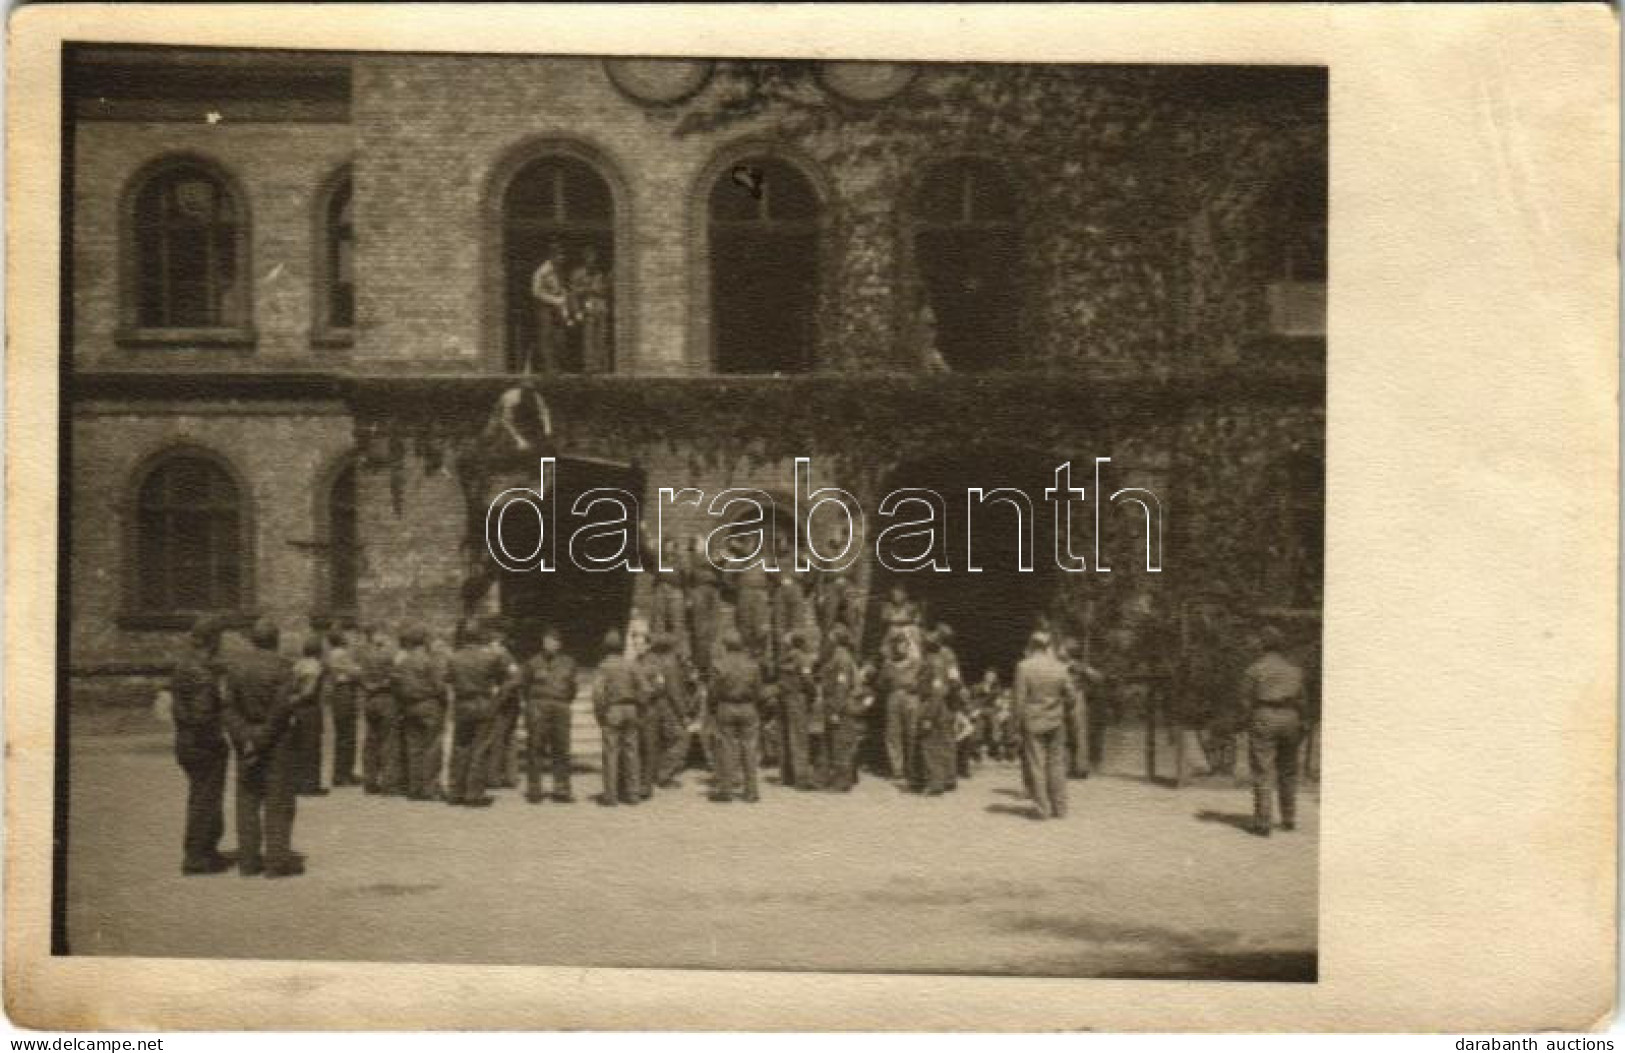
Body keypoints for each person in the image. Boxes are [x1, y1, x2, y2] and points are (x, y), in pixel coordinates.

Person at [221, 618, 303, 877]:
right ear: (275, 640)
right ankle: (276, 862)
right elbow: (282, 708)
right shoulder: (284, 668)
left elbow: (228, 708)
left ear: (252, 640)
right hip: (275, 740)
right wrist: (263, 737)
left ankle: (248, 861)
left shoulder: (235, 668)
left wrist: (245, 736)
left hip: (246, 741)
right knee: (277, 800)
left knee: (247, 799)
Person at [170, 615, 233, 875]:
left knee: (199, 798)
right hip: (203, 745)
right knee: (205, 801)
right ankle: (197, 857)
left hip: (185, 742)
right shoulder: (203, 674)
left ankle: (204, 850)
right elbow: (202, 715)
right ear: (214, 640)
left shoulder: (183, 665)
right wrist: (219, 740)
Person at [1239, 625, 1307, 837]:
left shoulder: (1254, 669)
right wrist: (1302, 722)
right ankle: (1289, 818)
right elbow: (1303, 699)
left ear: (1263, 645)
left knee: (1263, 769)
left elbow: (1244, 699)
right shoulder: (1295, 670)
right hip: (1291, 717)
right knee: (1288, 769)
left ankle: (1263, 822)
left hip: (1265, 715)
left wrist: (1247, 720)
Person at [1012, 630, 1078, 821]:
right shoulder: (1060, 667)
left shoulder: (1023, 667)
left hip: (1033, 721)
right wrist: (1062, 710)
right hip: (1056, 721)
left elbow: (1019, 700)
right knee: (1057, 764)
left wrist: (1015, 725)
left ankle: (1042, 809)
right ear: (1048, 646)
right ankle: (1060, 808)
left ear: (1032, 645)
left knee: (1036, 764)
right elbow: (1071, 696)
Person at [446, 622, 506, 807]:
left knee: (461, 748)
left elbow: (448, 680)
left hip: (462, 705)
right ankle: (474, 793)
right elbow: (502, 678)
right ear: (480, 638)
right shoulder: (490, 658)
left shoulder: (453, 658)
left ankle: (456, 791)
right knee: (480, 749)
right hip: (483, 704)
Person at [391, 625, 447, 801]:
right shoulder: (430, 661)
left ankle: (414, 788)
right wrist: (443, 702)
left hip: (409, 707)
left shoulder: (403, 662)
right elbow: (440, 686)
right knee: (432, 747)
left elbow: (396, 685)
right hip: (429, 705)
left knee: (413, 748)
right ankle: (429, 788)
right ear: (424, 641)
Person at [709, 629, 765, 803]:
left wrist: (713, 708)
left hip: (726, 706)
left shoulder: (719, 664)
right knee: (750, 749)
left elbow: (713, 691)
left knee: (726, 748)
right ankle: (751, 791)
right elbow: (758, 690)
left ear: (726, 646)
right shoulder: (753, 664)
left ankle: (725, 790)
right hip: (748, 707)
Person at [522, 627, 577, 803]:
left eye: (553, 641)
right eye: (546, 640)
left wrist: (563, 702)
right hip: (538, 707)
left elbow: (573, 688)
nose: (549, 644)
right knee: (535, 748)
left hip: (560, 707)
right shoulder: (532, 663)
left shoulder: (569, 663)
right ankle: (535, 789)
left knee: (561, 748)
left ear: (559, 644)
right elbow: (525, 687)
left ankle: (561, 789)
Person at [635, 631, 691, 796]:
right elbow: (674, 692)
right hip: (664, 708)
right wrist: (683, 714)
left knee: (652, 742)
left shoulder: (639, 661)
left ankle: (651, 775)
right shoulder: (668, 663)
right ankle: (664, 775)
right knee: (681, 738)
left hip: (645, 708)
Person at [593, 630, 641, 806]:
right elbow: (644, 688)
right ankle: (633, 793)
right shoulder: (631, 665)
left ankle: (611, 795)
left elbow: (598, 693)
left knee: (611, 753)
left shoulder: (603, 666)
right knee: (631, 752)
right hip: (631, 709)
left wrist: (600, 714)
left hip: (613, 710)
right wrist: (638, 707)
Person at [358, 626, 402, 795]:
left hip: (370, 701)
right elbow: (393, 678)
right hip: (385, 699)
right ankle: (389, 784)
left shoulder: (364, 656)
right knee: (389, 742)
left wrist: (370, 687)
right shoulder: (387, 656)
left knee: (371, 741)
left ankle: (369, 781)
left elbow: (361, 678)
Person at [820, 626, 865, 791]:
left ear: (837, 640)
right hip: (838, 704)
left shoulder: (842, 659)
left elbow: (841, 686)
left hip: (842, 706)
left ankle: (843, 782)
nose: (828, 640)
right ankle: (844, 778)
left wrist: (835, 711)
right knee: (840, 742)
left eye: (831, 638)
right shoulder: (839, 657)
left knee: (842, 744)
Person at [775, 630, 819, 790]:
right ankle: (801, 778)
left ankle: (785, 776)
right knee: (799, 738)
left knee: (784, 736)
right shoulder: (803, 658)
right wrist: (813, 694)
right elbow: (807, 680)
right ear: (802, 643)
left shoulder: (783, 658)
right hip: (797, 699)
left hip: (783, 698)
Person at [879, 630, 923, 786]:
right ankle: (897, 770)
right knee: (893, 734)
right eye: (897, 644)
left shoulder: (916, 662)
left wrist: (916, 687)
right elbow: (881, 683)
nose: (900, 647)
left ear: (908, 645)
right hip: (893, 697)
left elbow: (924, 680)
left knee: (912, 733)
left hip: (911, 698)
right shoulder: (888, 663)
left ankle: (912, 769)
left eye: (903, 643)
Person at [290, 636, 328, 796]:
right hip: (310, 709)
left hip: (298, 710)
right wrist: (300, 698)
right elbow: (310, 690)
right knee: (312, 747)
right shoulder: (315, 666)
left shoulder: (298, 665)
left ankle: (298, 783)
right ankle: (311, 785)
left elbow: (292, 685)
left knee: (298, 746)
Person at [325, 626, 362, 787]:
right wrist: (358, 669)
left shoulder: (332, 654)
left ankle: (343, 772)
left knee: (344, 734)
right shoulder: (341, 654)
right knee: (347, 734)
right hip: (344, 692)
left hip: (339, 692)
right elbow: (354, 672)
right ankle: (342, 774)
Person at [529, 241, 572, 375]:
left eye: (562, 255)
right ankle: (548, 369)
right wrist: (554, 300)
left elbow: (561, 290)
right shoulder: (542, 271)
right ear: (552, 256)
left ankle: (559, 367)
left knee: (559, 337)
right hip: (545, 307)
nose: (562, 258)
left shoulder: (558, 271)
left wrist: (564, 307)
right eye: (560, 255)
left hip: (557, 307)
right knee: (546, 337)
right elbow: (535, 292)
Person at [571, 244, 612, 374]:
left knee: (601, 338)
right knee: (588, 339)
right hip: (587, 308)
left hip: (600, 308)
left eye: (593, 257)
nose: (591, 259)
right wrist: (577, 310)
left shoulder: (599, 273)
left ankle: (601, 366)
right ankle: (589, 367)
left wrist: (601, 291)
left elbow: (605, 290)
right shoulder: (578, 273)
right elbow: (573, 292)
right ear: (584, 258)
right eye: (588, 256)